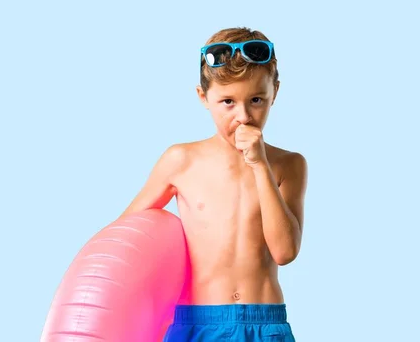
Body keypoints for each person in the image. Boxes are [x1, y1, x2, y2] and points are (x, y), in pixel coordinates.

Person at [119, 27, 307, 341]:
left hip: (263, 321)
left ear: (276, 92)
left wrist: (259, 164)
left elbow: (285, 252)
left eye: (257, 99)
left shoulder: (289, 164)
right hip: (194, 321)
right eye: (228, 102)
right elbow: (127, 236)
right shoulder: (181, 160)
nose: (244, 116)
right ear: (203, 97)